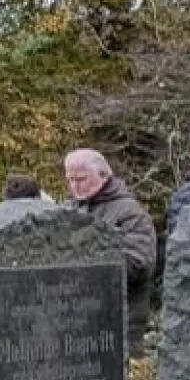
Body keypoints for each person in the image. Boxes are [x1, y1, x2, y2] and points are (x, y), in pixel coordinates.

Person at [64, 149, 158, 357]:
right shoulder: (67, 210)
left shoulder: (129, 212)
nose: (75, 185)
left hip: (120, 321)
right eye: (70, 180)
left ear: (104, 176)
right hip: (75, 320)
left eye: (81, 179)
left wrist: (90, 251)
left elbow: (140, 264)